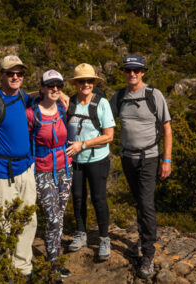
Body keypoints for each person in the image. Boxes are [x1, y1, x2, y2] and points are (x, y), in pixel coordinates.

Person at [0, 55, 69, 279]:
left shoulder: (22, 96)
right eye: (10, 73)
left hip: (26, 169)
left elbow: (35, 94)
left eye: (20, 73)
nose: (15, 77)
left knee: (28, 222)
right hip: (1, 174)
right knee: (3, 226)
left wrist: (58, 93)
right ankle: (4, 273)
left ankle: (23, 269)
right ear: (1, 75)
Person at [109, 55, 172, 279]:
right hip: (128, 158)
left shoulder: (154, 95)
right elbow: (102, 117)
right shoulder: (119, 97)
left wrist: (167, 160)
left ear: (143, 72)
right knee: (139, 201)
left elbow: (166, 128)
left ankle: (148, 254)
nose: (132, 74)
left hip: (150, 157)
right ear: (124, 72)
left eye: (136, 70)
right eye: (128, 70)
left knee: (146, 204)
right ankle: (143, 239)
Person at [26, 70, 72, 281]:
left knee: (59, 216)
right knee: (52, 217)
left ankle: (55, 259)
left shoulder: (63, 107)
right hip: (42, 171)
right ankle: (53, 265)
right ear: (42, 87)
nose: (55, 89)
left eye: (59, 86)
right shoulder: (32, 113)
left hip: (64, 169)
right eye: (50, 85)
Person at [66, 63, 115, 261]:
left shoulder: (101, 104)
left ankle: (104, 238)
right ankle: (80, 233)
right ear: (76, 83)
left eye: (89, 81)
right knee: (77, 197)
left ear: (94, 83)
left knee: (98, 198)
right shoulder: (69, 103)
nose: (85, 84)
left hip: (97, 159)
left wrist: (83, 144)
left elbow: (109, 136)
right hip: (75, 160)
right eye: (81, 81)